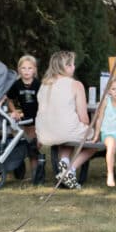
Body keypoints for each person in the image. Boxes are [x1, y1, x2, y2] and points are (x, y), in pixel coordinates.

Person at [36, 50, 98, 189]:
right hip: (64, 131)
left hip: (44, 133)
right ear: (66, 67)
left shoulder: (44, 84)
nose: (74, 67)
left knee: (68, 132)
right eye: (71, 64)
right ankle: (70, 170)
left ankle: (64, 161)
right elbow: (84, 118)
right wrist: (89, 127)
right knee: (96, 140)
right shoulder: (75, 85)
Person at [5, 54, 41, 174]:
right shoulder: (17, 84)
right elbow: (9, 99)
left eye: (29, 68)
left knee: (35, 145)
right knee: (28, 144)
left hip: (38, 118)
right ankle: (25, 168)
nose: (26, 71)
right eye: (23, 68)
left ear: (34, 70)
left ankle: (35, 171)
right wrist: (14, 111)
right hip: (26, 120)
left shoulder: (38, 84)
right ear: (19, 70)